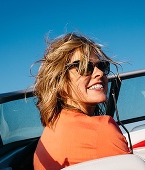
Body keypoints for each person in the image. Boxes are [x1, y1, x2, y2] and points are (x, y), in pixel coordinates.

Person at [33, 32, 131, 169]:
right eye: (84, 67)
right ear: (60, 82)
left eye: (102, 66)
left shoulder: (49, 132)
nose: (100, 73)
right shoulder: (102, 129)